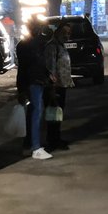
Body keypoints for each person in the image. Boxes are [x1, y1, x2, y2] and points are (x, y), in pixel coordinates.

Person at [15, 16, 53, 160]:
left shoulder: (22, 44)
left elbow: (22, 68)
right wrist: (48, 75)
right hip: (34, 81)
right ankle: (36, 147)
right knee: (36, 113)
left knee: (31, 113)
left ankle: (28, 144)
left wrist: (20, 88)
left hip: (28, 81)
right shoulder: (36, 44)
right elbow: (40, 63)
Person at [44, 21, 75, 150]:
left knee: (58, 114)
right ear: (57, 32)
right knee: (53, 114)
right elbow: (50, 68)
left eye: (68, 33)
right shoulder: (52, 47)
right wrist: (52, 87)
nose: (67, 36)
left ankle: (56, 139)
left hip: (62, 85)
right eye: (64, 33)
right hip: (55, 86)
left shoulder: (61, 46)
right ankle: (52, 141)